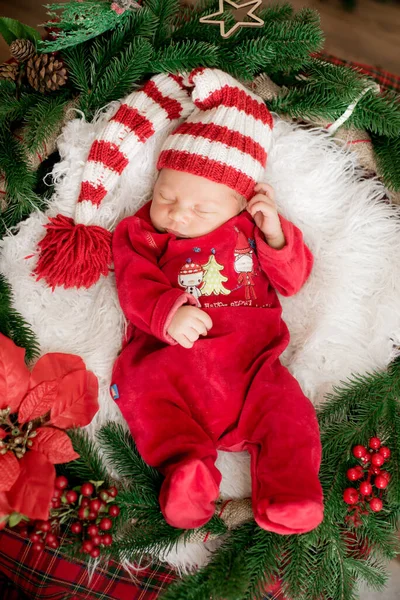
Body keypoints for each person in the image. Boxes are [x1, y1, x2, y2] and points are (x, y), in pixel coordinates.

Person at [111, 67, 324, 534]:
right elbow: (132, 282)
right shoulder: (144, 234)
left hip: (253, 373)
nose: (177, 214)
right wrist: (167, 313)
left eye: (200, 208)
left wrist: (274, 233)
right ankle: (188, 471)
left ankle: (290, 491)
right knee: (147, 401)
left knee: (291, 416)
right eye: (165, 196)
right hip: (171, 365)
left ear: (239, 204)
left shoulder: (252, 232)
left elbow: (293, 280)